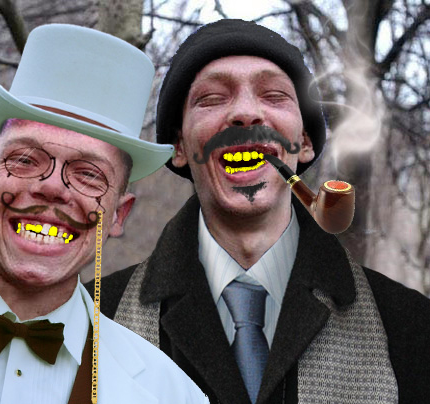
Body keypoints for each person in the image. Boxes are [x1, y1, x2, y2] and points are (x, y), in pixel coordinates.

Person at [87, 19, 430, 404]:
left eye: (274, 95)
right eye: (212, 98)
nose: (246, 112)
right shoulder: (93, 322)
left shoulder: (412, 328)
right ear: (179, 146)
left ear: (304, 142)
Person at [0, 24, 209, 404]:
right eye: (25, 159)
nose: (53, 187)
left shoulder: (170, 394)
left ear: (118, 215)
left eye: (89, 174)